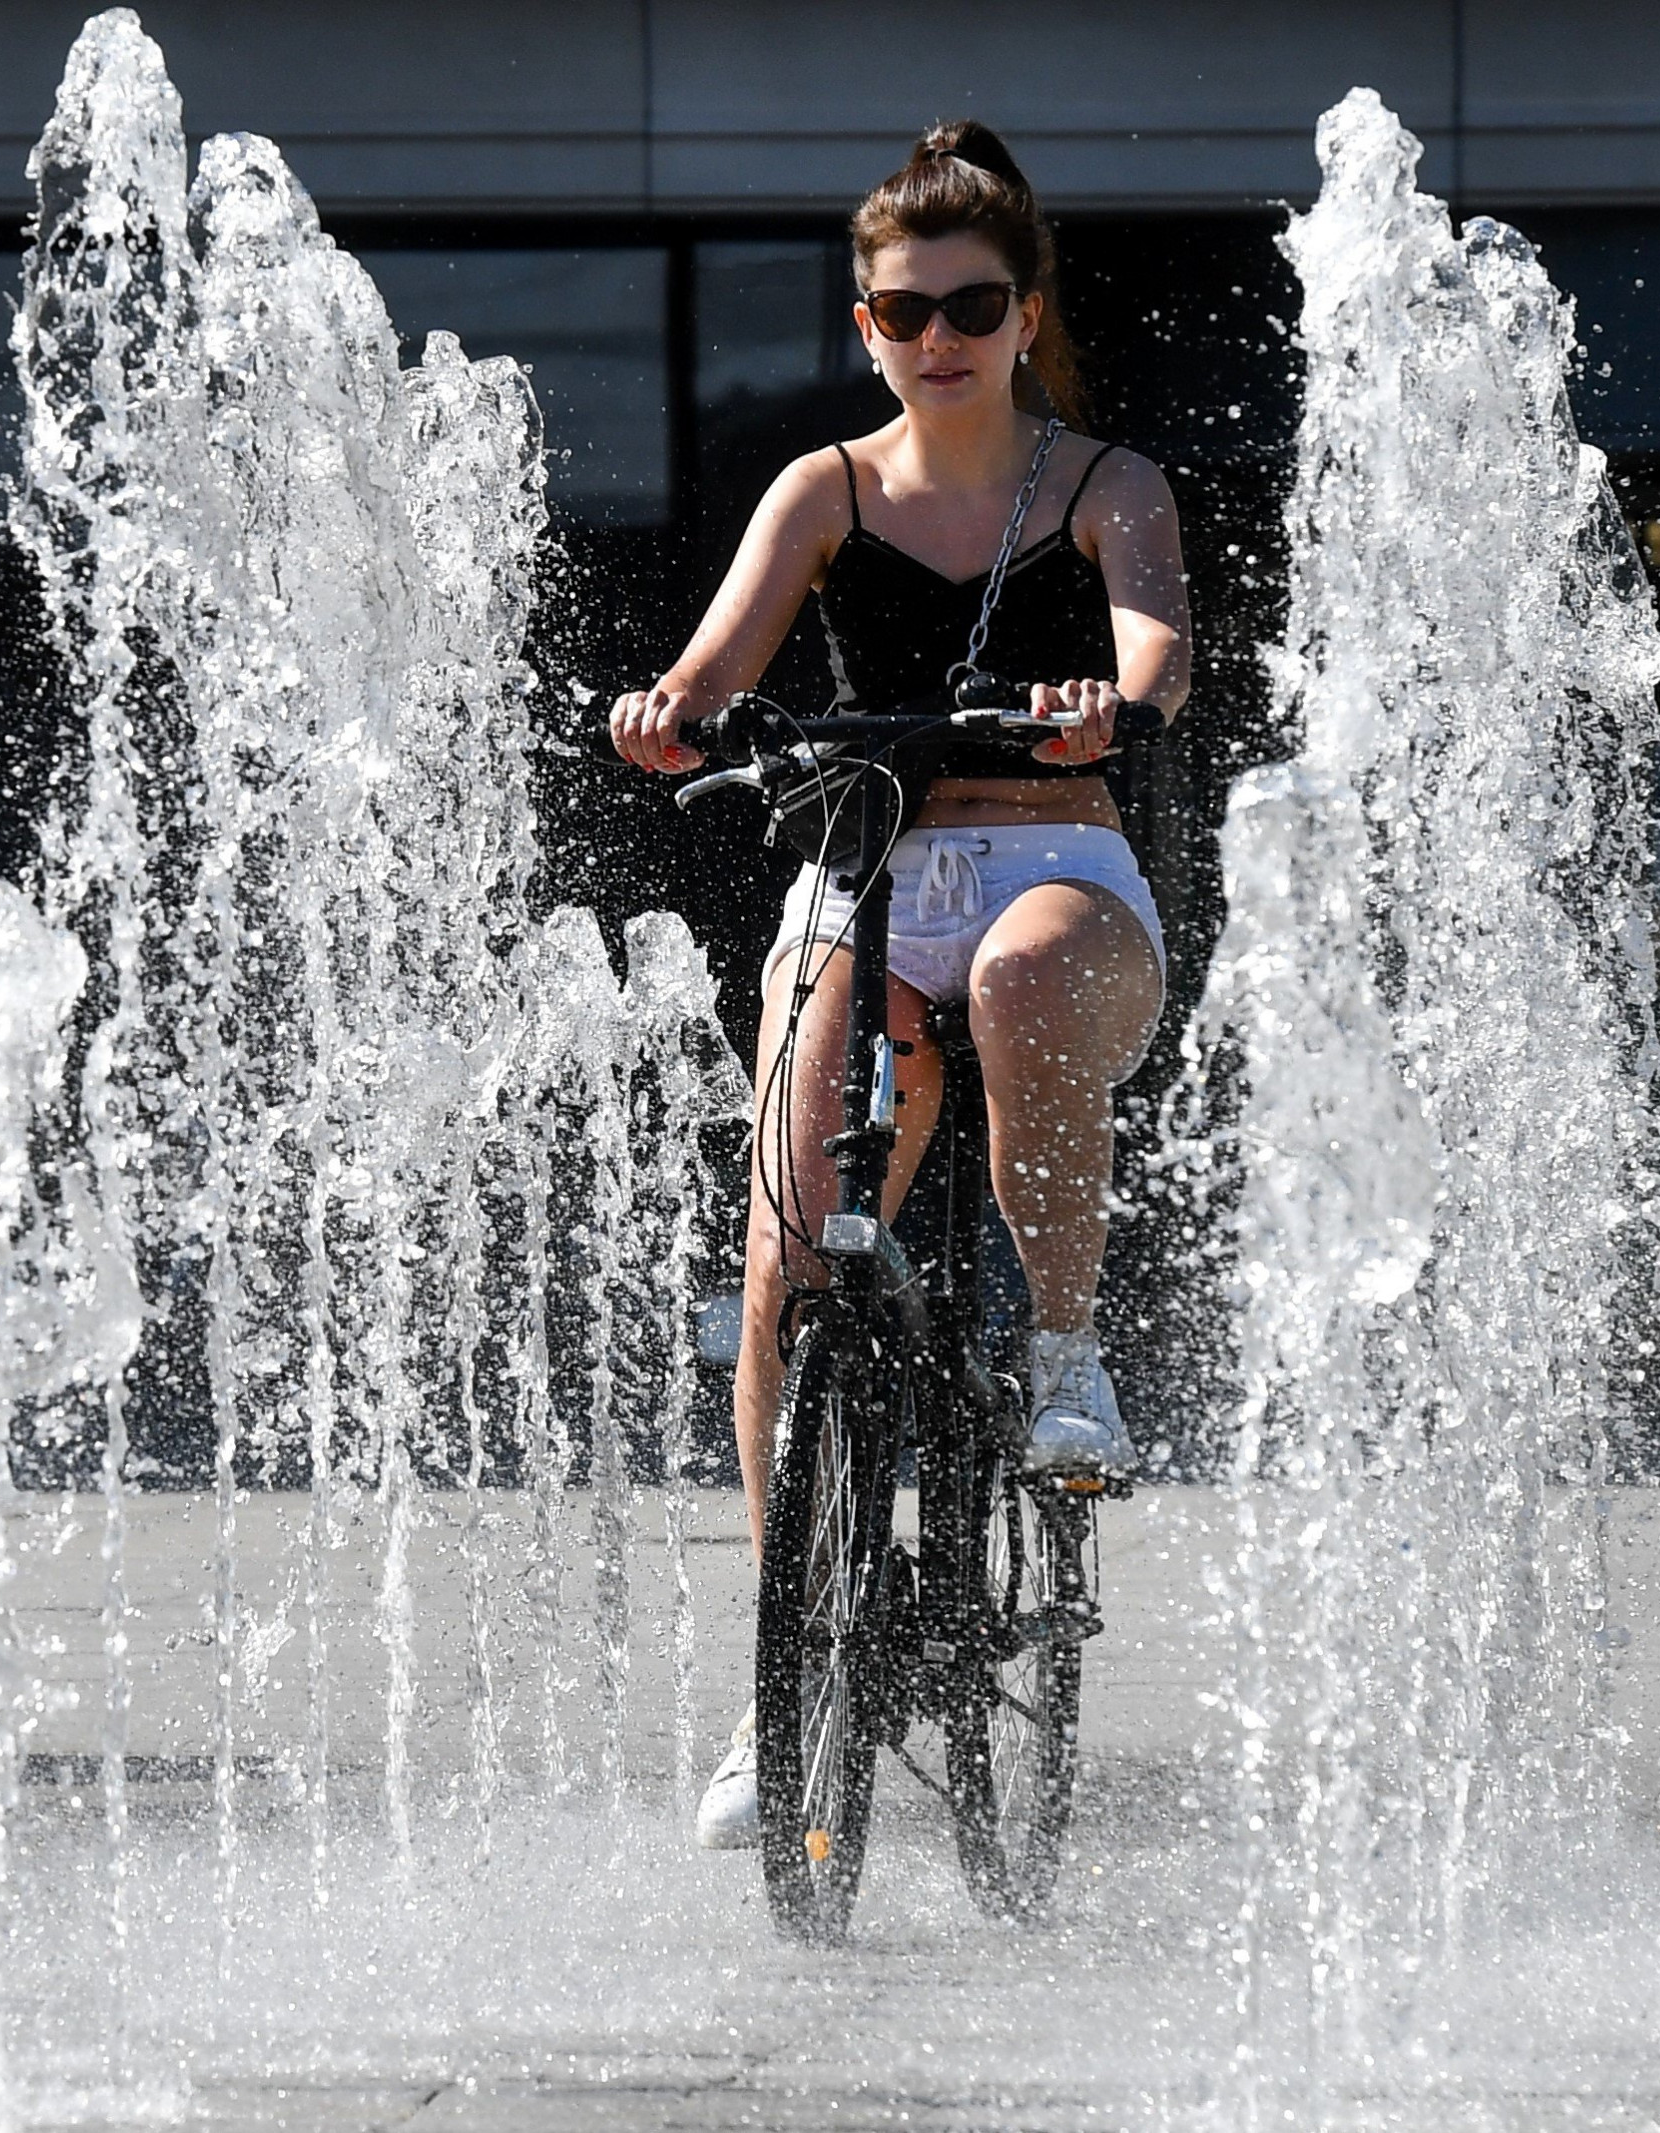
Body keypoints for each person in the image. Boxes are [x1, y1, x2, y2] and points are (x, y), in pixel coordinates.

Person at [606, 120, 1191, 1848]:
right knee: (786, 1253)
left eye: (971, 303)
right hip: (866, 869)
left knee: (1015, 988)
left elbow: (1156, 642)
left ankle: (1067, 1356)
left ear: (1026, 312)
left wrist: (1113, 699)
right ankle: (776, 1681)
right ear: (866, 326)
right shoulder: (827, 491)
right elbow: (711, 668)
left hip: (1057, 880)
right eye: (900, 311)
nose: (936, 335)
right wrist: (667, 716)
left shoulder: (1108, 486)